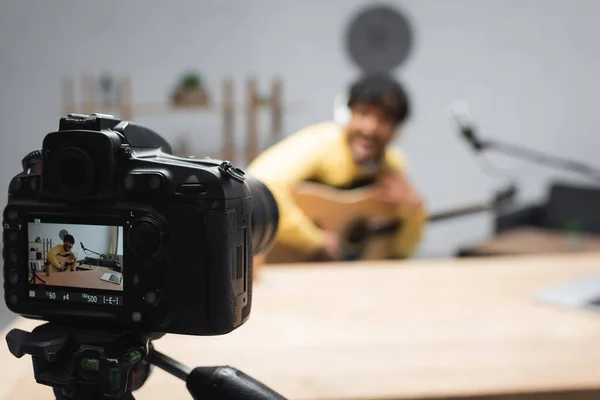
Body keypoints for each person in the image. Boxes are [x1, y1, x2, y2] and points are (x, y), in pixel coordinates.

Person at [247, 73, 427, 262]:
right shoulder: (322, 144)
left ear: (396, 130)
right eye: (363, 113)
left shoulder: (392, 167)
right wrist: (313, 241)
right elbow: (259, 187)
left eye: (384, 120)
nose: (370, 128)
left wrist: (414, 211)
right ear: (348, 114)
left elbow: (402, 252)